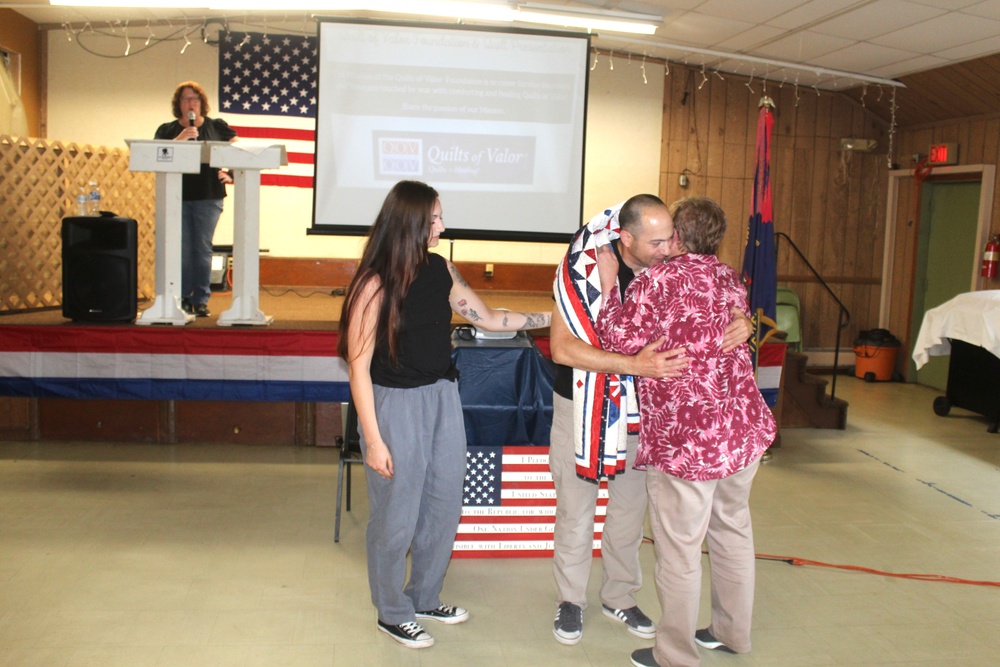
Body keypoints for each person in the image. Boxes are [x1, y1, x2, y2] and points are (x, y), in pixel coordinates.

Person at [337, 180, 551, 650]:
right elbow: (357, 367)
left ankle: (424, 596)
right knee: (397, 515)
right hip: (394, 403)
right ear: (409, 222)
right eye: (434, 219)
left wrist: (552, 317)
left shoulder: (441, 268)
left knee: (443, 504)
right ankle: (391, 611)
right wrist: (373, 440)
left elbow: (489, 318)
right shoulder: (373, 284)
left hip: (442, 396)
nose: (442, 226)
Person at [549, 194, 751, 646]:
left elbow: (722, 299)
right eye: (658, 242)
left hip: (645, 413)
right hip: (582, 407)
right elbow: (562, 349)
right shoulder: (583, 270)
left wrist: (743, 320)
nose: (669, 249)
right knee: (577, 510)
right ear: (627, 237)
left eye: (671, 239)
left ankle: (619, 595)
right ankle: (570, 599)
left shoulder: (664, 272)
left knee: (629, 511)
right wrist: (634, 365)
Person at [593, 197, 776, 667]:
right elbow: (733, 324)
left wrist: (610, 284)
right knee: (732, 531)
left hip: (688, 442)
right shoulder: (728, 277)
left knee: (679, 551)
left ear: (677, 236)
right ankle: (732, 634)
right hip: (741, 433)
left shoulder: (658, 282)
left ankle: (675, 655)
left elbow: (617, 338)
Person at [154, 81, 237, 317]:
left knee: (201, 249)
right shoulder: (167, 130)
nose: (190, 103)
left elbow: (240, 150)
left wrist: (230, 173)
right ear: (178, 104)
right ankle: (180, 297)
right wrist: (181, 137)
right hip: (177, 196)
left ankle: (200, 299)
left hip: (208, 196)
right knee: (181, 249)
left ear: (202, 103)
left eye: (195, 98)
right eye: (185, 99)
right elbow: (157, 154)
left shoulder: (216, 126)